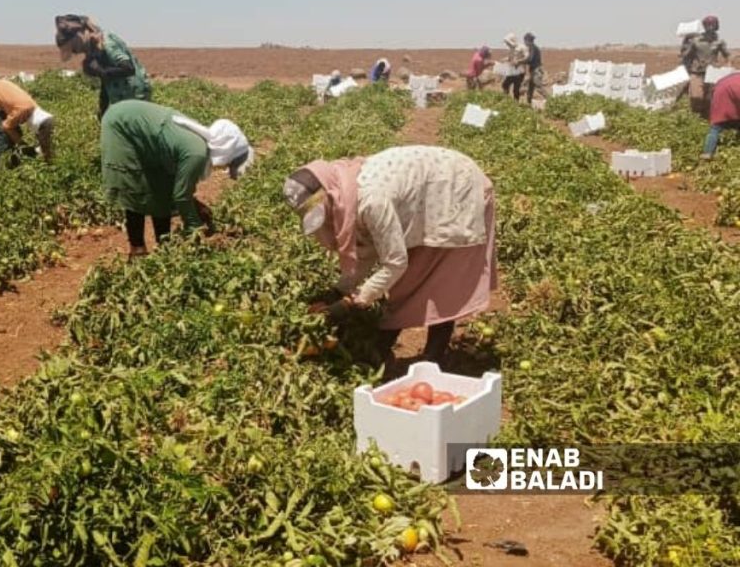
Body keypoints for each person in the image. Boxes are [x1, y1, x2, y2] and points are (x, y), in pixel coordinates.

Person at [283, 146, 498, 366]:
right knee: (410, 279)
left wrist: (353, 301)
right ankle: (383, 350)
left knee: (441, 282)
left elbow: (395, 262)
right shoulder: (345, 192)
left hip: (456, 190)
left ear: (331, 196)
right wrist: (339, 290)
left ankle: (432, 357)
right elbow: (367, 251)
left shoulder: (371, 201)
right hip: (428, 195)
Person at [100, 100, 253, 257]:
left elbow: (175, 187)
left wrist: (196, 206)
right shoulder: (196, 154)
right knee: (136, 187)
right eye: (229, 164)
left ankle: (164, 246)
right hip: (122, 125)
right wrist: (195, 228)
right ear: (228, 152)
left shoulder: (199, 144)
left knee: (162, 187)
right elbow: (181, 196)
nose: (225, 167)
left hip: (139, 127)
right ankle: (138, 250)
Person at [55, 14, 152, 119]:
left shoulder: (107, 43)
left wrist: (101, 71)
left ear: (79, 36)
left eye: (74, 48)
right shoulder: (93, 48)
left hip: (135, 95)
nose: (76, 52)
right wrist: (103, 109)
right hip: (120, 99)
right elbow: (105, 82)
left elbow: (129, 69)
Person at [0, 79, 55, 166]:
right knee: (1, 134)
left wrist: (21, 143)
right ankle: (1, 168)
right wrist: (22, 145)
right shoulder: (21, 111)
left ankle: (13, 161)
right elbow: (6, 127)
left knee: (15, 132)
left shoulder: (31, 106)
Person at [680, 16, 730, 118]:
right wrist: (685, 43)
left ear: (716, 26)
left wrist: (726, 69)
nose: (710, 27)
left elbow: (727, 56)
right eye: (708, 25)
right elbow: (686, 56)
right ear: (704, 26)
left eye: (712, 25)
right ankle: (695, 118)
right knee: (696, 96)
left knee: (710, 99)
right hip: (697, 72)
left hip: (712, 74)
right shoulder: (695, 41)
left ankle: (705, 119)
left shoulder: (719, 42)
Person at [701, 72, 740, 159]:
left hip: (721, 89)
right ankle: (708, 152)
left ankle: (707, 152)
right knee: (716, 126)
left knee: (716, 125)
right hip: (728, 91)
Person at [501, 33, 529, 101]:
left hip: (520, 72)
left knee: (516, 89)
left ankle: (515, 103)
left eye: (507, 42)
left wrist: (519, 61)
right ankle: (506, 101)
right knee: (505, 85)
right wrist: (506, 59)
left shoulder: (522, 47)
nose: (507, 44)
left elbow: (527, 57)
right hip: (512, 71)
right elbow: (511, 58)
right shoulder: (511, 49)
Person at [523, 33, 548, 103]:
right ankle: (529, 103)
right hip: (533, 71)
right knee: (530, 89)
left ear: (527, 40)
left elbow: (530, 59)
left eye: (525, 41)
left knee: (538, 87)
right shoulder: (533, 47)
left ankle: (551, 100)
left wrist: (520, 61)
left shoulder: (532, 47)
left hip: (536, 71)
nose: (524, 42)